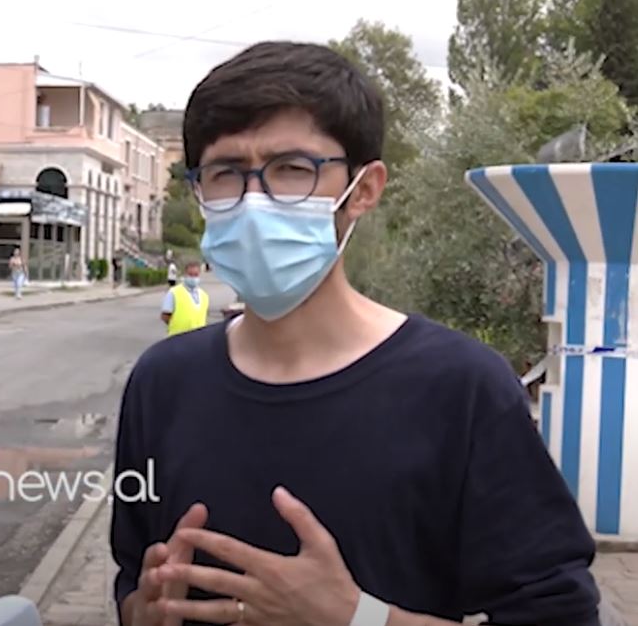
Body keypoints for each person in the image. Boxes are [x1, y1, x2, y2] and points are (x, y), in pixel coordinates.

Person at [111, 41, 600, 626]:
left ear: (363, 190)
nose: (255, 200)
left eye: (292, 169)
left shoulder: (462, 390)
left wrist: (357, 617)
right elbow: (130, 577)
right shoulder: (162, 383)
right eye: (226, 173)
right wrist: (142, 611)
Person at [160, 261, 209, 336]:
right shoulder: (174, 292)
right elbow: (165, 316)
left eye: (196, 275)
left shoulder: (204, 296)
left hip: (198, 340)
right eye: (190, 275)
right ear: (185, 275)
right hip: (177, 339)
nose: (193, 278)